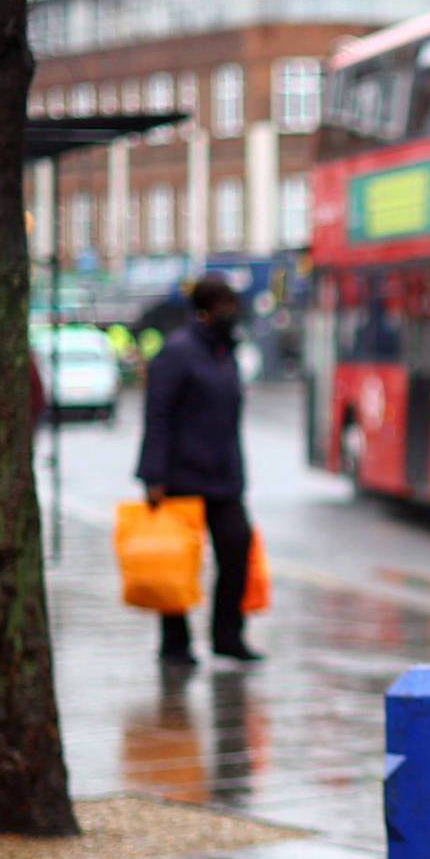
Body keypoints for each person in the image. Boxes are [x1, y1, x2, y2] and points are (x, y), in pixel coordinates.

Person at [137, 274, 259, 667]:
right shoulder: (177, 353)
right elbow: (157, 415)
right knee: (175, 562)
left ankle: (228, 636)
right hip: (180, 476)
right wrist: (153, 476)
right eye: (224, 307)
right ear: (204, 312)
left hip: (223, 477)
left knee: (236, 549)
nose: (231, 314)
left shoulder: (226, 352)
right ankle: (174, 644)